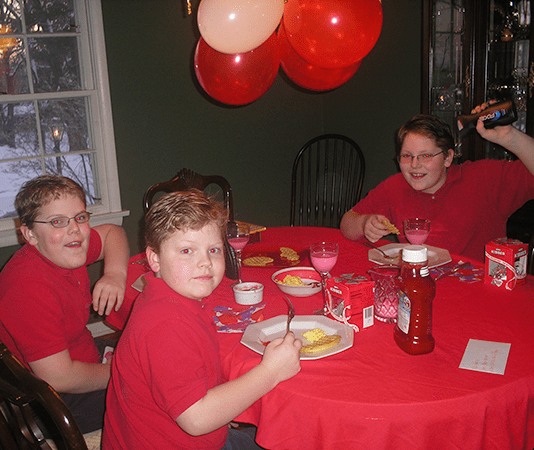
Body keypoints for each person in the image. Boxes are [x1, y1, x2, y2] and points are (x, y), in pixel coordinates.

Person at [103, 189, 302, 450]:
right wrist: (271, 372)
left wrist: (223, 407)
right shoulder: (165, 325)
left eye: (214, 250)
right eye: (187, 250)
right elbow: (196, 419)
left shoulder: (172, 299)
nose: (205, 262)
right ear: (154, 259)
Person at [0, 174, 129, 433]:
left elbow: (112, 233)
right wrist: (119, 372)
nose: (75, 229)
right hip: (44, 400)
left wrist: (115, 273)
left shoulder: (65, 250)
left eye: (81, 217)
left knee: (151, 353)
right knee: (152, 400)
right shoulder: (28, 289)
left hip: (75, 356)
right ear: (30, 234)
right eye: (57, 221)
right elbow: (59, 378)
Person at [340, 103, 534, 262]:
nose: (415, 165)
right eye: (407, 156)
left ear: (448, 158)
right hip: (418, 289)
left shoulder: (484, 178)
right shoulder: (395, 186)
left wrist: (511, 138)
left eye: (426, 155)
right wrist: (364, 223)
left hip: (476, 293)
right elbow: (347, 222)